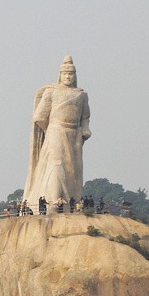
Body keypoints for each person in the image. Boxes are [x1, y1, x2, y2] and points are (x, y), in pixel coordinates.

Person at [23, 56, 91, 212]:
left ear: (75, 75)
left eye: (71, 74)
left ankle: (71, 205)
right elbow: (39, 116)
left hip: (74, 135)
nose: (68, 77)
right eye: (65, 74)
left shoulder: (81, 95)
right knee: (56, 165)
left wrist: (85, 129)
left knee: (72, 171)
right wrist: (50, 130)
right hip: (55, 131)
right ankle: (53, 202)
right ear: (60, 75)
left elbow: (85, 117)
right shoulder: (51, 92)